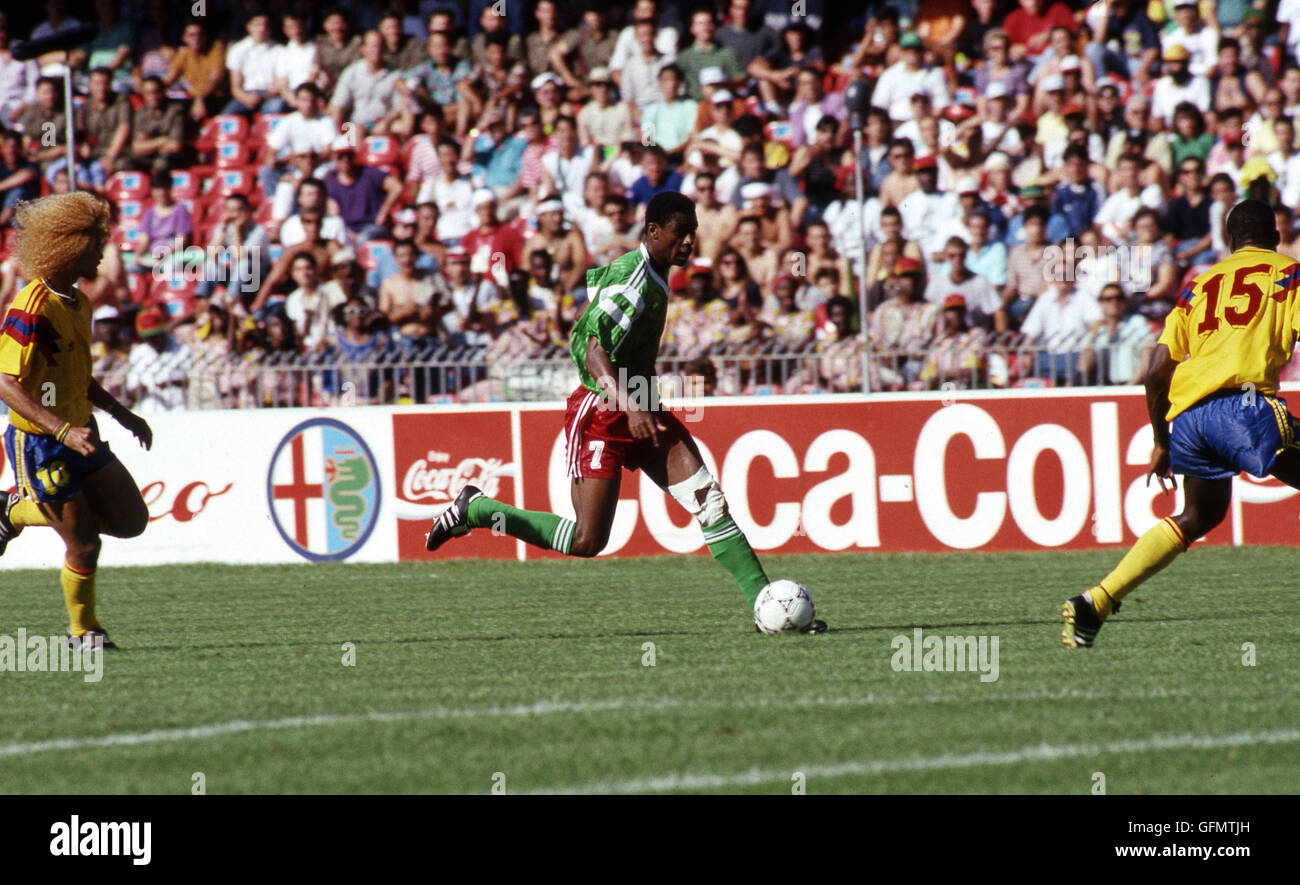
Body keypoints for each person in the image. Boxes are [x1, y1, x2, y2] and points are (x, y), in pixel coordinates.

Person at [425, 191, 826, 633]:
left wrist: (638, 402)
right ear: (653, 232)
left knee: (707, 499)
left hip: (640, 403)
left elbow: (593, 312)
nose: (690, 242)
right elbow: (595, 349)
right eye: (680, 233)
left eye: (692, 232)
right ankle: (477, 511)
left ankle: (766, 610)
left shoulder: (650, 271)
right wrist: (629, 404)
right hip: (603, 409)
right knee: (587, 540)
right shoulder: (633, 279)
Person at [1063, 200, 1300, 648]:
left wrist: (1161, 441)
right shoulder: (1288, 274)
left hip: (1190, 419)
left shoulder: (1199, 285)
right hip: (1245, 408)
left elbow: (1155, 371)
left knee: (1199, 515)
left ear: (1231, 241)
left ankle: (1096, 600)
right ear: (1275, 237)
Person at [0, 193, 153, 650]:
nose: (101, 253)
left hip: (82, 435)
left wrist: (124, 414)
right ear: (66, 246)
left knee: (131, 520)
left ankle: (12, 509)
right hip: (43, 444)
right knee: (84, 543)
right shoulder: (32, 307)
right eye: (93, 244)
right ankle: (84, 632)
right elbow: (6, 384)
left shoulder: (79, 303)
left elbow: (80, 377)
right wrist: (61, 429)